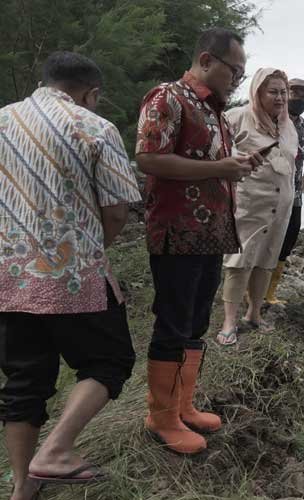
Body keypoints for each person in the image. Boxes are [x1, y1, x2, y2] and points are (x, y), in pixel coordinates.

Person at [0, 51, 140, 498]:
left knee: (23, 381)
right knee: (110, 360)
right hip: (73, 273)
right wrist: (90, 251)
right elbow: (116, 213)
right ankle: (56, 451)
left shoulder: (3, 120)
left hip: (8, 275)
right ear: (90, 93)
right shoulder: (94, 126)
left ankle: (23, 488)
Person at [136, 28, 260, 454]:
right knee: (172, 322)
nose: (237, 80)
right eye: (235, 71)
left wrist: (236, 164)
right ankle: (161, 416)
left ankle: (184, 406)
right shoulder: (167, 98)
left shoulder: (216, 114)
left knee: (195, 322)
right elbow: (149, 158)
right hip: (176, 232)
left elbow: (211, 165)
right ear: (207, 61)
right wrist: (220, 169)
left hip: (209, 234)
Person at [217, 68, 299, 344]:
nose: (280, 98)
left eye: (283, 92)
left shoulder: (289, 127)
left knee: (267, 258)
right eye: (273, 91)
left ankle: (254, 314)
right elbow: (217, 153)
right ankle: (229, 320)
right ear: (258, 92)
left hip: (281, 205)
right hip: (249, 202)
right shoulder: (236, 118)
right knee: (240, 258)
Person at [264, 77, 304, 304]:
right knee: (264, 239)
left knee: (289, 238)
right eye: (296, 94)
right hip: (269, 192)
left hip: (294, 195)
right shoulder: (272, 119)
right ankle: (250, 288)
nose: (300, 99)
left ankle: (270, 292)